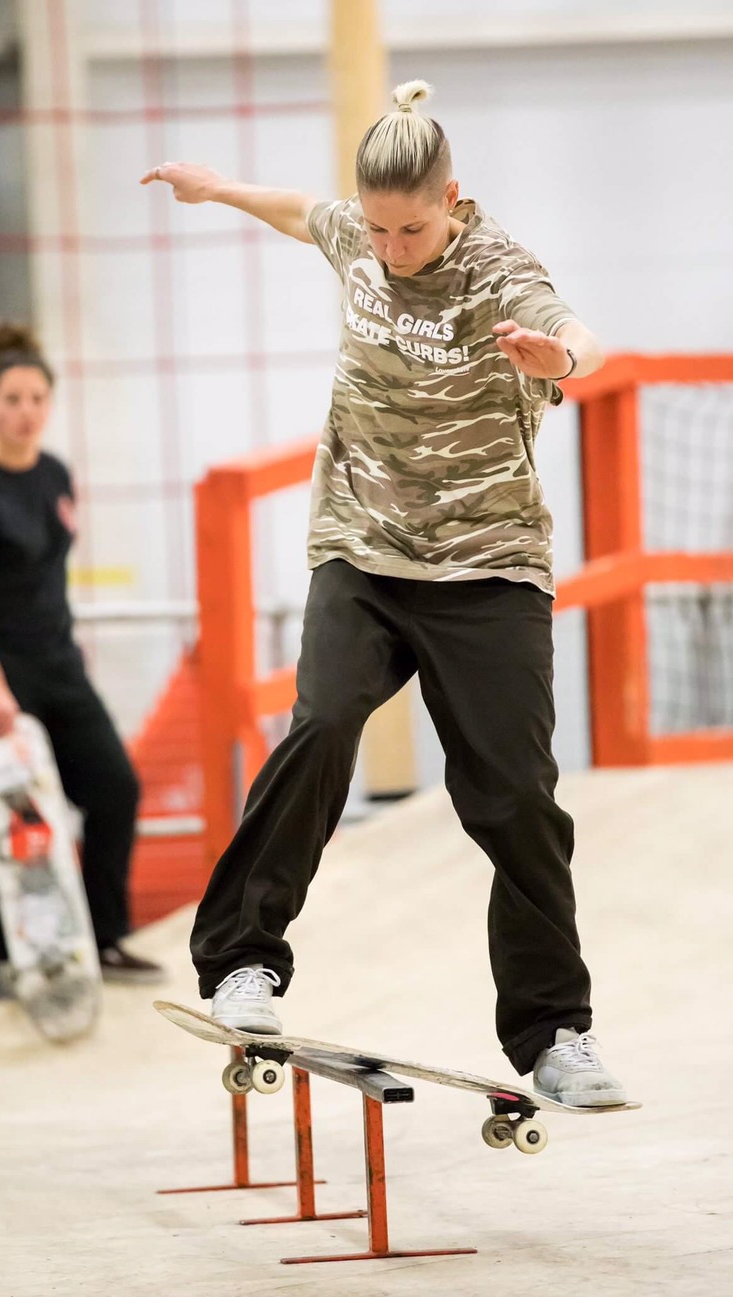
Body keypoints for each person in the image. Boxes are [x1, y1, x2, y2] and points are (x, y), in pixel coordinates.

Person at [142, 80, 626, 1106]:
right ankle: (243, 961)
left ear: (451, 199)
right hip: (362, 554)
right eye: (378, 228)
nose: (394, 248)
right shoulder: (357, 237)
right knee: (321, 726)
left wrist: (562, 359)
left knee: (515, 797)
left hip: (487, 568)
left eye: (413, 229)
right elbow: (299, 211)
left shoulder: (500, 271)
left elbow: (582, 333)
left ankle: (554, 1031)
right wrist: (218, 188)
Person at [0, 323, 164, 986]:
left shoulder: (55, 475)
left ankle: (105, 938)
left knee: (114, 787)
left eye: (37, 398)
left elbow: (44, 580)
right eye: (12, 399)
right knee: (19, 813)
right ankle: (25, 960)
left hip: (56, 665)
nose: (25, 411)